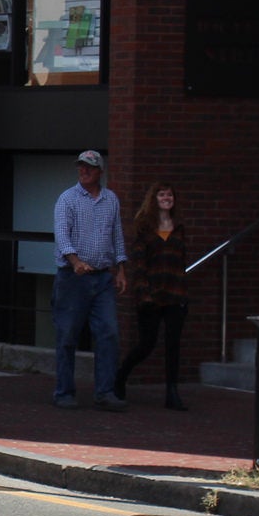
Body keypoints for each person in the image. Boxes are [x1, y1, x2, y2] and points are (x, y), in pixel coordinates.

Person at [52, 150, 128, 412]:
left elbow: (117, 235)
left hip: (103, 277)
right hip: (73, 278)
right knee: (67, 335)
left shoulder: (111, 200)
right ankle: (64, 391)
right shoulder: (67, 199)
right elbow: (62, 235)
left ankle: (105, 391)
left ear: (100, 172)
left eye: (89, 168)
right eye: (81, 167)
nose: (84, 171)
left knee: (108, 333)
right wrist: (75, 262)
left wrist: (120, 269)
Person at [116, 182, 190, 411]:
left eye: (170, 194)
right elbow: (139, 263)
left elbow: (181, 261)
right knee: (147, 343)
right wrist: (143, 292)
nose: (166, 198)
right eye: (162, 194)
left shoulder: (179, 227)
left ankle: (172, 392)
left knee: (173, 344)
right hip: (151, 294)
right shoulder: (145, 228)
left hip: (175, 294)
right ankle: (120, 376)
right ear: (154, 199)